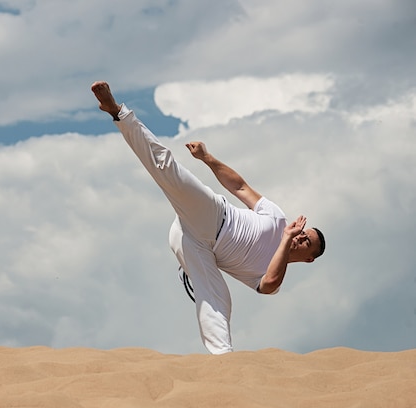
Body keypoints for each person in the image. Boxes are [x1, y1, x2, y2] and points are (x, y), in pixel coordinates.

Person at [91, 81, 326, 354]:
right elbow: (240, 187)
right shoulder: (277, 218)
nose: (299, 236)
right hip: (213, 215)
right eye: (302, 233)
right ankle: (118, 113)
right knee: (168, 167)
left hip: (196, 247)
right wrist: (208, 158)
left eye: (306, 241)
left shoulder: (270, 274)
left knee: (218, 301)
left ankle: (223, 363)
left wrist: (286, 241)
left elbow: (270, 284)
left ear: (308, 258)